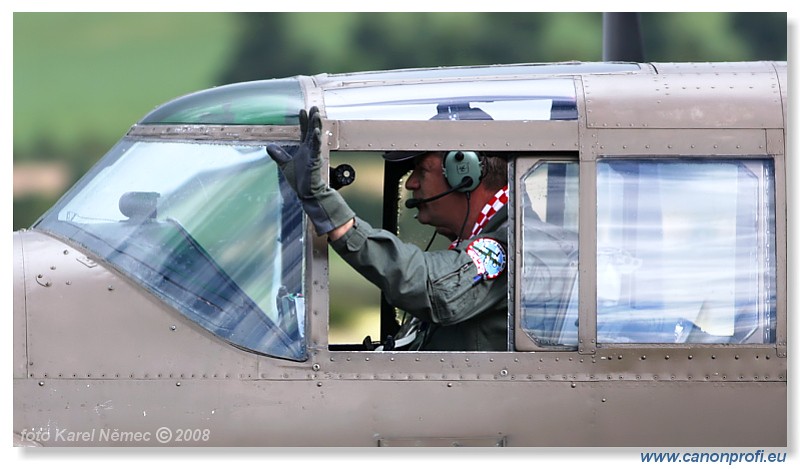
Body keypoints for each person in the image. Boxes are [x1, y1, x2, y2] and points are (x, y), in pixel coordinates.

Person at [267, 107, 508, 351]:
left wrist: (330, 210)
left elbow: (438, 290)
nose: (411, 183)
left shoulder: (510, 240)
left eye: (422, 169)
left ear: (464, 172)